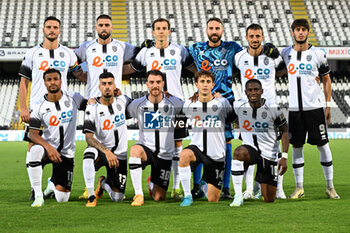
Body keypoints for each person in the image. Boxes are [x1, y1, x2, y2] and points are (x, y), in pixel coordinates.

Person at [123, 18, 197, 199]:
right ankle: (150, 181)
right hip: (153, 104)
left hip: (176, 104)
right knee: (153, 143)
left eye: (165, 28)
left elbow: (195, 70)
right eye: (158, 29)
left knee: (177, 145)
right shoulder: (146, 52)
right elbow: (130, 69)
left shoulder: (180, 50)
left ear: (169, 31)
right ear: (153, 32)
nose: (162, 31)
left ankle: (176, 187)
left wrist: (199, 90)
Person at [18, 16, 85, 200]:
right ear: (43, 30)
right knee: (33, 147)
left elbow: (80, 74)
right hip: (37, 109)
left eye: (55, 27)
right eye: (49, 27)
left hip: (61, 109)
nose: (52, 30)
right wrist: (23, 108)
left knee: (62, 147)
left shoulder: (68, 53)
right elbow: (24, 82)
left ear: (59, 30)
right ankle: (35, 189)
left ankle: (53, 182)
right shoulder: (32, 53)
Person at [281, 19, 340, 199]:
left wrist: (328, 105)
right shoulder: (285, 53)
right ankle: (299, 187)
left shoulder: (318, 54)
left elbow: (326, 79)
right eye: (297, 30)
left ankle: (330, 186)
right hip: (294, 110)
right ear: (292, 32)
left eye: (303, 30)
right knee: (297, 146)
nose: (300, 33)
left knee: (323, 145)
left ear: (308, 32)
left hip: (314, 108)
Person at [187, 17, 243, 199]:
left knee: (226, 144)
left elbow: (247, 61)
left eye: (217, 28)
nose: (214, 31)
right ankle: (196, 186)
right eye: (211, 28)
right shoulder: (196, 49)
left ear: (222, 30)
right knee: (198, 143)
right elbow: (178, 61)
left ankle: (225, 186)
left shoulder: (233, 48)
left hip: (224, 103)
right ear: (206, 30)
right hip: (202, 102)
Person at [234, 23, 287, 199]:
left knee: (275, 148)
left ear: (262, 37)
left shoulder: (272, 56)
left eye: (258, 36)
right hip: (248, 110)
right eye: (252, 36)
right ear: (247, 38)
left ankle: (279, 188)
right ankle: (249, 190)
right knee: (248, 148)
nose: (255, 39)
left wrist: (278, 54)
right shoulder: (239, 57)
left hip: (270, 108)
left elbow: (283, 71)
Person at [27, 68, 86, 207]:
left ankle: (52, 184)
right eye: (49, 80)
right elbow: (32, 133)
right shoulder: (38, 106)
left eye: (55, 79)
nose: (52, 82)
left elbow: (92, 105)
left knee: (63, 198)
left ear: (61, 81)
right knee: (34, 151)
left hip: (67, 153)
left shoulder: (74, 98)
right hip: (47, 150)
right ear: (45, 83)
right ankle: (38, 195)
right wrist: (49, 148)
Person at [179, 71, 236, 206]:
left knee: (213, 199)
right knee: (184, 155)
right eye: (202, 81)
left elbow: (232, 119)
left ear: (213, 85)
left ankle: (205, 182)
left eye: (208, 82)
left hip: (216, 154)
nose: (205, 85)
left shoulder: (222, 103)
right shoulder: (188, 104)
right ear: (196, 84)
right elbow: (182, 123)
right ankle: (188, 195)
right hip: (197, 148)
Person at [127, 70, 183, 206]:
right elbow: (118, 109)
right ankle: (138, 194)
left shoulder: (175, 103)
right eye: (152, 82)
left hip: (165, 155)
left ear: (163, 83)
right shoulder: (137, 104)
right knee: (134, 151)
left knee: (159, 197)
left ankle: (151, 183)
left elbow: (190, 109)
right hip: (146, 150)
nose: (155, 85)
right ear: (147, 84)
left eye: (158, 82)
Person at [230, 79, 289, 207]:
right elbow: (230, 116)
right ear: (245, 92)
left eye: (256, 90)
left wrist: (284, 157)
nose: (253, 93)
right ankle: (238, 195)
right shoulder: (239, 106)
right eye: (250, 90)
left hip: (269, 154)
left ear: (262, 91)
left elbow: (285, 131)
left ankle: (258, 184)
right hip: (251, 150)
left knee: (269, 198)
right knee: (238, 153)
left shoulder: (273, 108)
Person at [82, 72, 131, 207]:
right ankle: (92, 196)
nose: (107, 87)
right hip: (102, 152)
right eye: (104, 84)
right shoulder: (92, 108)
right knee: (89, 154)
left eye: (110, 83)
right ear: (99, 86)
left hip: (120, 155)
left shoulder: (123, 100)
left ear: (115, 86)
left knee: (118, 198)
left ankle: (103, 183)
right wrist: (106, 151)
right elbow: (89, 138)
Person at [75, 14, 139, 99]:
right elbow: (71, 61)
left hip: (115, 99)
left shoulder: (122, 46)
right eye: (101, 25)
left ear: (112, 27)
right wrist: (81, 75)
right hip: (93, 99)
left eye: (107, 25)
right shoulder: (86, 47)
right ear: (96, 28)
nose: (104, 28)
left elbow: (141, 54)